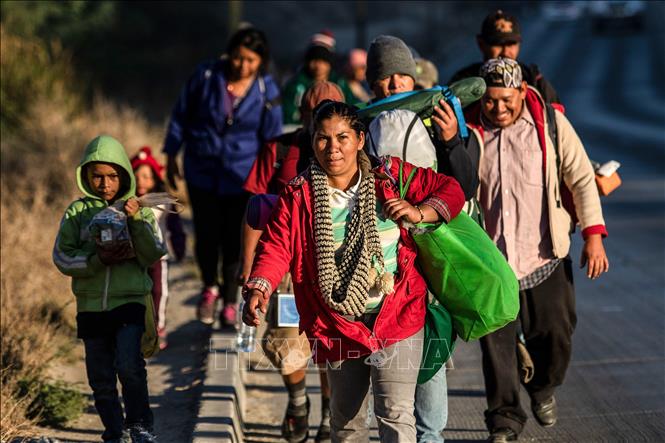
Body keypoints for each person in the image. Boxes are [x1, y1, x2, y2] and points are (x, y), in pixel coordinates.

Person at [242, 101, 465, 441]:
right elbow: (277, 245)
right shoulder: (298, 195)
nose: (332, 148)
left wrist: (418, 212)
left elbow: (450, 190)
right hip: (336, 322)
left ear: (360, 139)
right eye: (323, 138)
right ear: (312, 141)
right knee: (346, 423)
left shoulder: (389, 176)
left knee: (395, 414)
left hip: (397, 314)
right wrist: (260, 287)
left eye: (342, 137)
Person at [464, 58, 609, 442]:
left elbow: (580, 177)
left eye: (506, 99)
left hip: (545, 257)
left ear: (522, 92)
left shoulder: (550, 125)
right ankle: (504, 421)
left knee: (556, 334)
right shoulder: (470, 130)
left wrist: (593, 235)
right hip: (492, 265)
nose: (498, 108)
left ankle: (543, 386)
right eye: (491, 101)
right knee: (497, 351)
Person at [365, 34, 480, 443]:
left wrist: (451, 142)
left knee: (430, 346)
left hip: (431, 253)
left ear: (412, 79)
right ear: (371, 85)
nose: (393, 86)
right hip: (382, 262)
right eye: (383, 79)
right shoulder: (361, 126)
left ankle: (430, 436)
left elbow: (464, 184)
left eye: (400, 76)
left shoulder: (438, 119)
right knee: (387, 350)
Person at [241, 82, 346, 443]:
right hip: (286, 271)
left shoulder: (349, 154)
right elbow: (255, 210)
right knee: (288, 341)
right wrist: (249, 271)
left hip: (335, 267)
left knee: (331, 346)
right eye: (312, 114)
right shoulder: (279, 148)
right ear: (302, 113)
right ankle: (298, 403)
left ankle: (330, 414)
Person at [162, 26, 282, 327]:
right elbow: (181, 115)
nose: (243, 66)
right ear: (231, 53)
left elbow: (271, 141)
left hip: (243, 177)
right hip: (201, 171)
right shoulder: (206, 77)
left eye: (251, 61)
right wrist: (171, 155)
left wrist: (269, 182)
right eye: (239, 58)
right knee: (206, 235)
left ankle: (230, 300)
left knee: (234, 240)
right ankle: (209, 287)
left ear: (261, 61)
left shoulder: (267, 90)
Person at [53, 135, 166, 443]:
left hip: (130, 301)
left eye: (113, 176)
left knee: (129, 366)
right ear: (86, 176)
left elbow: (155, 252)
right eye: (98, 176)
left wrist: (135, 223)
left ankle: (141, 425)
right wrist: (96, 259)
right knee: (100, 377)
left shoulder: (138, 210)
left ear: (124, 176)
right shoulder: (77, 213)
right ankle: (113, 432)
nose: (105, 183)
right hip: (91, 308)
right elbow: (62, 256)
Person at [131, 146, 186, 350]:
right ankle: (137, 329)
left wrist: (179, 249)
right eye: (136, 176)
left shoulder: (163, 201)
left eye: (146, 176)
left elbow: (176, 228)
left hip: (159, 257)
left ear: (155, 178)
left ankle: (158, 328)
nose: (141, 181)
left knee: (158, 292)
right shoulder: (127, 203)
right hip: (134, 257)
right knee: (136, 293)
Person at [449, 10, 561, 106]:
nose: (505, 52)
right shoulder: (464, 82)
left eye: (511, 43)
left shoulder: (533, 80)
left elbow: (556, 119)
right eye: (497, 43)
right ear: (481, 44)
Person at [281, 30, 355, 127]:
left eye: (323, 61)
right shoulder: (295, 85)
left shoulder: (340, 83)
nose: (318, 66)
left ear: (329, 64)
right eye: (314, 60)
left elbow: (352, 107)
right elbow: (287, 115)